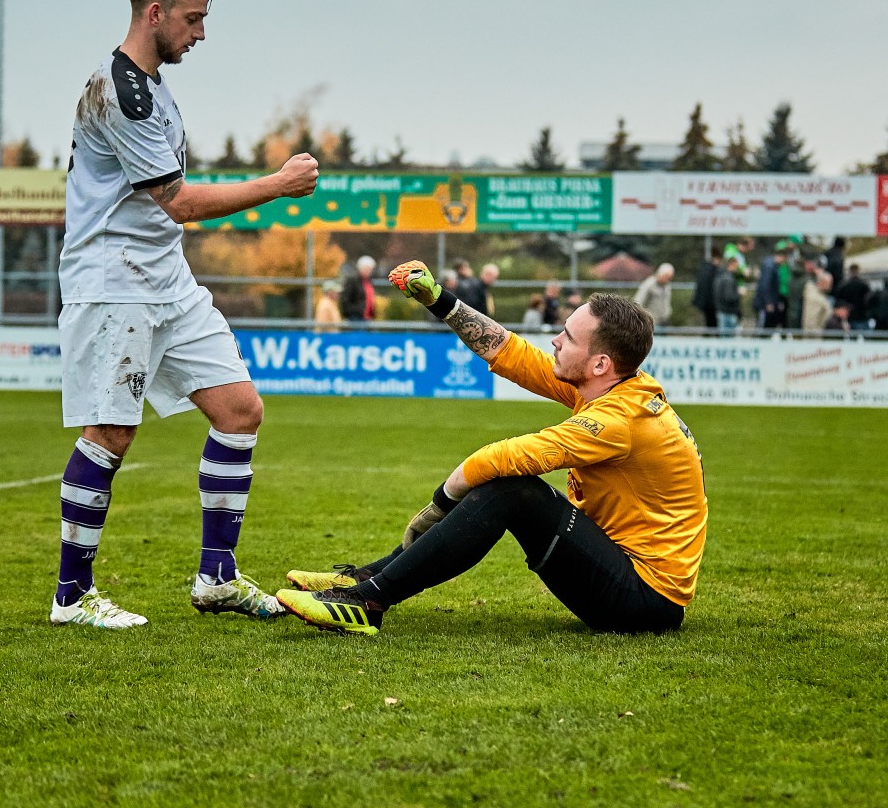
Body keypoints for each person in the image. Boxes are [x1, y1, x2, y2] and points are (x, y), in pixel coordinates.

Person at [50, 0, 320, 629]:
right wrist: (277, 186)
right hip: (116, 282)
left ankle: (217, 578)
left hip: (165, 278)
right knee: (110, 431)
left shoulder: (153, 83)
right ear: (155, 11)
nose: (201, 34)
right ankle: (72, 597)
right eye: (194, 20)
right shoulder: (124, 94)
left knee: (239, 409)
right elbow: (180, 202)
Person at [277, 260, 706, 636]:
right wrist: (442, 301)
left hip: (643, 600)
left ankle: (368, 600)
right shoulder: (614, 387)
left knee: (512, 490)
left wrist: (445, 497)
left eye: (568, 337)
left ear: (600, 364)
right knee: (512, 487)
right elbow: (514, 353)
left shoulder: (620, 419)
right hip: (627, 575)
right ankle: (369, 580)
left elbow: (515, 456)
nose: (555, 341)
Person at [634, 263, 675, 327]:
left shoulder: (667, 285)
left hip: (664, 319)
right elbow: (638, 301)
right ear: (660, 274)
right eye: (666, 277)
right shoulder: (648, 284)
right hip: (651, 320)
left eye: (670, 278)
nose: (668, 280)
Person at [833, 263, 872, 331]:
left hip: (850, 317)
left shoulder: (843, 286)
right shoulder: (864, 285)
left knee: (852, 339)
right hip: (863, 316)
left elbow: (839, 301)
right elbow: (869, 300)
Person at [340, 254, 376, 321]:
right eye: (367, 269)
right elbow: (345, 299)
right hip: (355, 317)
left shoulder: (368, 281)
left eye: (370, 269)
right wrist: (354, 311)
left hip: (368, 317)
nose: (369, 272)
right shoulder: (352, 281)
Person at [715, 256, 742, 335]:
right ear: (732, 264)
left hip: (722, 310)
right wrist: (738, 293)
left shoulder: (720, 276)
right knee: (728, 339)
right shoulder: (728, 279)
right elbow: (729, 297)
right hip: (728, 312)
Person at [691, 255, 719, 329]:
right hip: (710, 304)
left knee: (710, 324)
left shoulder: (704, 270)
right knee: (712, 324)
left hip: (707, 304)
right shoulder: (712, 271)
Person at [802, 270, 832, 334]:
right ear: (821, 282)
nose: (830, 286)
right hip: (814, 334)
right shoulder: (815, 298)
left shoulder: (820, 294)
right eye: (829, 283)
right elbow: (811, 320)